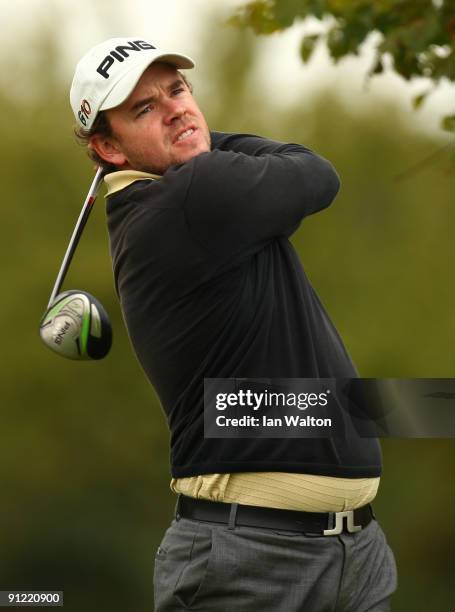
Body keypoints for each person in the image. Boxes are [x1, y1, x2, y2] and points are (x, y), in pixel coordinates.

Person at [70, 37, 398, 611]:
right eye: (145, 109)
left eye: (178, 91)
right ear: (108, 148)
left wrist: (182, 139)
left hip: (355, 554)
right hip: (251, 561)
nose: (176, 109)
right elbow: (318, 174)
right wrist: (201, 142)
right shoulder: (194, 197)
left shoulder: (179, 199)